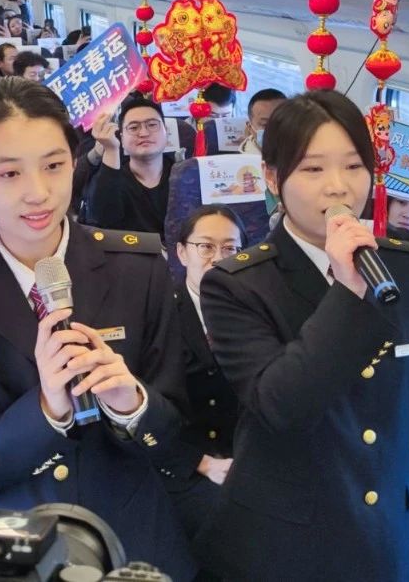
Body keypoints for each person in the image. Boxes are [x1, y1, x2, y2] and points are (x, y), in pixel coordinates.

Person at [0, 78, 196, 579]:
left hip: (129, 540)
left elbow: (177, 439)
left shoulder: (138, 267)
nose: (38, 193)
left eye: (54, 166)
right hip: (5, 547)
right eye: (9, 173)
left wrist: (133, 405)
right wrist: (46, 411)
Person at [197, 90, 409, 581]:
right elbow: (281, 405)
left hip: (390, 533)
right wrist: (348, 292)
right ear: (272, 177)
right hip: (287, 544)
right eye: (313, 169)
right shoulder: (237, 284)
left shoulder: (406, 264)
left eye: (353, 166)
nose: (338, 187)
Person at [167, 205, 241, 573]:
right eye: (206, 246)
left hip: (249, 459)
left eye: (230, 248)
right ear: (182, 253)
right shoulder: (160, 312)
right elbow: (144, 406)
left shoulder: (256, 308)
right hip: (186, 464)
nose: (218, 258)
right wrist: (202, 463)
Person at [82, 95, 176, 235]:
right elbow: (102, 223)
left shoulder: (183, 176)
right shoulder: (111, 177)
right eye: (133, 127)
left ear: (166, 131)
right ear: (121, 137)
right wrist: (111, 149)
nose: (143, 133)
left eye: (152, 125)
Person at [240, 87, 287, 155]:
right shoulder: (239, 160)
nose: (275, 129)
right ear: (250, 128)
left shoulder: (300, 152)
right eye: (265, 124)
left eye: (282, 121)